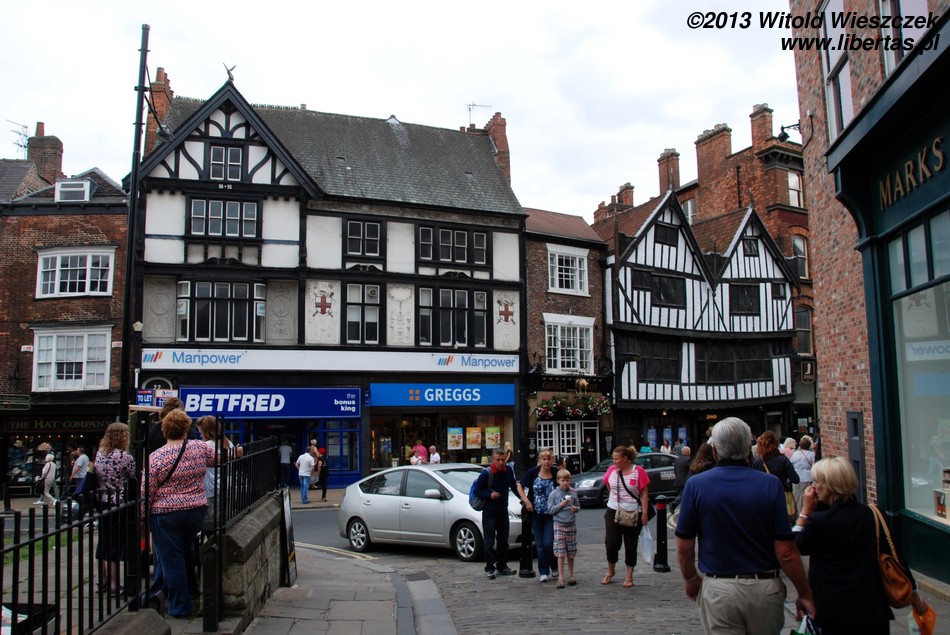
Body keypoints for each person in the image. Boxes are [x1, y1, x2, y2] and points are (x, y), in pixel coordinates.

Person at [675, 417, 814, 634]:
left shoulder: (696, 485)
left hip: (720, 587)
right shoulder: (770, 485)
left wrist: (691, 578)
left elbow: (684, 547)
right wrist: (804, 592)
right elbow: (785, 551)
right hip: (764, 586)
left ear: (715, 449)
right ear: (749, 447)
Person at [794, 456, 930, 634]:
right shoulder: (873, 514)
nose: (812, 487)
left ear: (828, 485)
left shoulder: (819, 521)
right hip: (872, 611)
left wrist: (805, 512)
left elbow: (797, 545)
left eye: (816, 481)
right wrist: (914, 598)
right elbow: (896, 556)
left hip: (834, 612)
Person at [144, 410, 220, 618]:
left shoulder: (156, 457)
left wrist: (142, 517)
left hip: (165, 514)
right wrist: (238, 452)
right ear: (186, 430)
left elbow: (146, 491)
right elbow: (220, 459)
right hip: (195, 511)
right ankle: (156, 594)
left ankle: (179, 608)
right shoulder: (198, 448)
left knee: (172, 560)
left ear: (164, 430)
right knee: (176, 554)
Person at [96, 422, 136, 594]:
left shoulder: (100, 453)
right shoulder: (124, 456)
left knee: (103, 540)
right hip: (119, 501)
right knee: (115, 542)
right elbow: (134, 476)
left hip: (102, 500)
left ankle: (102, 579)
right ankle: (114, 583)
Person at [602, 446, 649, 588]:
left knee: (630, 544)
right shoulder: (612, 470)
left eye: (616, 459)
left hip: (633, 513)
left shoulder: (638, 471)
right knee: (611, 543)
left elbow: (644, 493)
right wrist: (615, 497)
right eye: (613, 459)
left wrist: (644, 513)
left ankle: (629, 576)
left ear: (625, 459)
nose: (614, 461)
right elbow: (607, 483)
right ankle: (611, 571)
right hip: (613, 511)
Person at [472, 449, 519, 579]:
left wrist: (523, 499)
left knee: (503, 541)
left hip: (503, 511)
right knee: (489, 541)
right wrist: (490, 495)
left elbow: (513, 486)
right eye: (498, 460)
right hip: (489, 512)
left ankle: (502, 566)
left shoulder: (508, 470)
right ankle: (489, 568)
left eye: (503, 460)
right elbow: (477, 490)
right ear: (493, 460)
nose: (501, 462)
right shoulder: (487, 473)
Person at [517, 449, 558, 582]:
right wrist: (526, 501)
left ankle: (554, 565)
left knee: (548, 543)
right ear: (540, 460)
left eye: (549, 459)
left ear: (552, 460)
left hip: (550, 514)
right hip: (536, 514)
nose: (546, 462)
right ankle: (544, 572)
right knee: (539, 545)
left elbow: (565, 484)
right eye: (544, 459)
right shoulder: (534, 472)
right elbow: (520, 486)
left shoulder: (555, 473)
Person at [753, 431, 800, 523]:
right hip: (781, 495)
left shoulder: (757, 462)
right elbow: (795, 479)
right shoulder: (783, 460)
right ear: (776, 444)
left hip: (762, 497)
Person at [547, 468, 579, 588]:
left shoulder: (573, 492)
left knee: (571, 551)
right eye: (562, 480)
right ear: (558, 481)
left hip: (571, 524)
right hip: (559, 525)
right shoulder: (554, 494)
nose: (565, 483)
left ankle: (571, 575)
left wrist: (575, 509)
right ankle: (560, 577)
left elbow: (578, 506)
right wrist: (561, 505)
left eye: (567, 480)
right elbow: (550, 510)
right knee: (560, 552)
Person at [789, 435, 816, 516]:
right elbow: (814, 466)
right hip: (808, 477)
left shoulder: (795, 454)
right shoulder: (812, 454)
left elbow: (791, 464)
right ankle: (806, 514)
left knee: (797, 497)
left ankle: (798, 515)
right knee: (806, 496)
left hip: (796, 477)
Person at [670, 446, 692, 512]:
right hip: (685, 482)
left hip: (678, 481)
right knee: (684, 496)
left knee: (683, 496)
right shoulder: (688, 460)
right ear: (688, 452)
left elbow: (675, 471)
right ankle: (673, 504)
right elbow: (692, 471)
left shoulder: (677, 459)